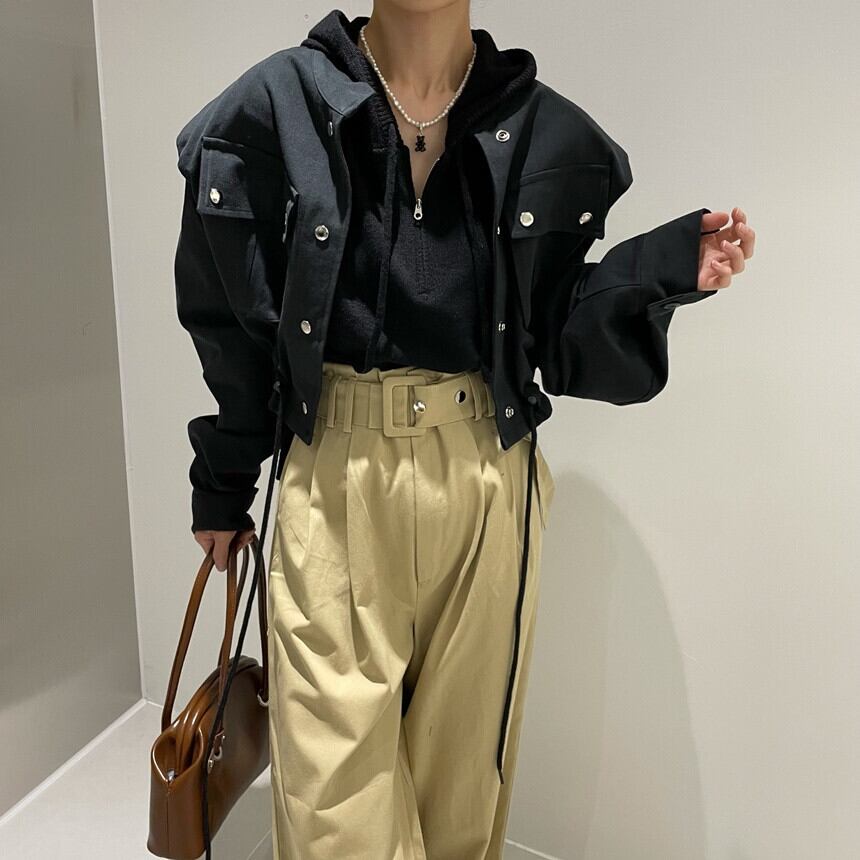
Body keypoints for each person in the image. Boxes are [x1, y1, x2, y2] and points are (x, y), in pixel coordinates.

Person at [173, 3, 754, 857]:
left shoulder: (542, 127)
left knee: (461, 803)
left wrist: (656, 273)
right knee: (334, 813)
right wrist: (223, 483)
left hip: (487, 480)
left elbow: (552, 335)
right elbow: (228, 322)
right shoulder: (275, 106)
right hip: (333, 481)